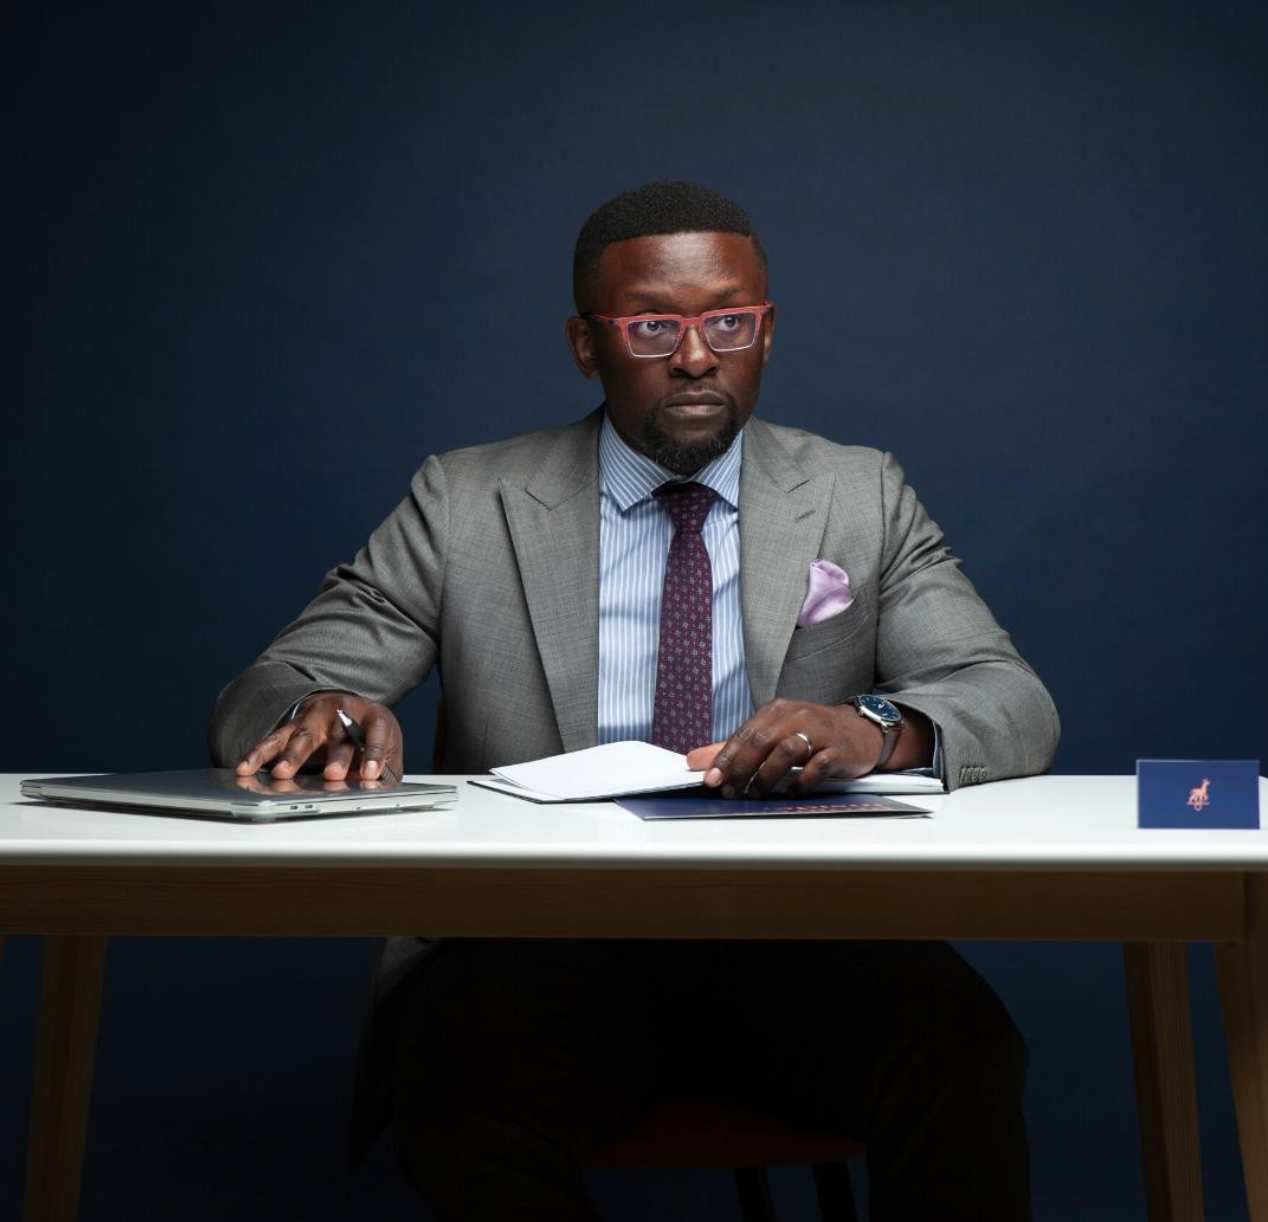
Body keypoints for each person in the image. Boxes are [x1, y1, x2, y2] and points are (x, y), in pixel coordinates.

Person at [210, 181, 1059, 1220]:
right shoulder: (467, 500)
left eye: (728, 322)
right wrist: (326, 711)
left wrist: (873, 730)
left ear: (766, 331)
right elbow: (268, 689)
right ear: (585, 343)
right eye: (653, 326)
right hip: (542, 945)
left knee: (966, 1057)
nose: (696, 357)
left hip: (798, 938)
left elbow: (1006, 697)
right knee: (457, 1090)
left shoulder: (859, 493)